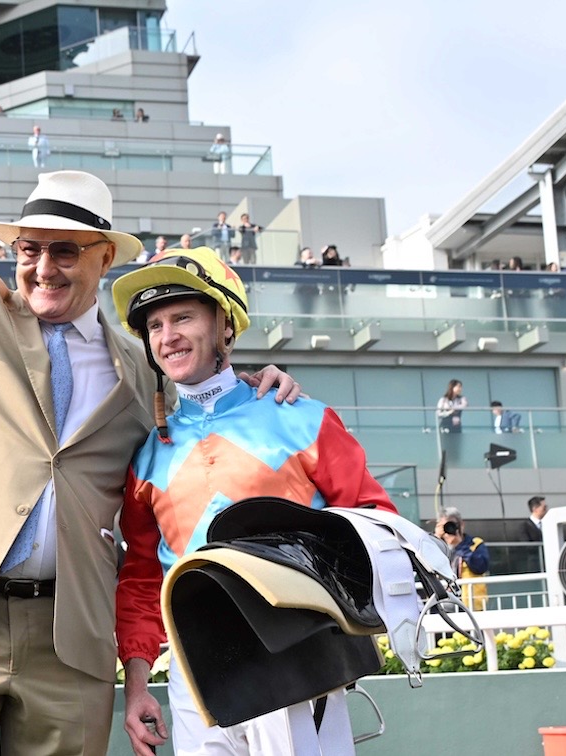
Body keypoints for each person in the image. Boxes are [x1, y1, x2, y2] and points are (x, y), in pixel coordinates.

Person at [0, 36, 298, 755]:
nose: (42, 266)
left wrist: (258, 384)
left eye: (65, 250)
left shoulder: (144, 375)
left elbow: (206, 421)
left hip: (72, 641)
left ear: (105, 258)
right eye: (30, 248)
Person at [110, 248, 397, 755]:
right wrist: (136, 687)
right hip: (192, 675)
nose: (167, 336)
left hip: (296, 659)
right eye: (154, 326)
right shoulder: (149, 455)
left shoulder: (299, 416)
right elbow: (141, 579)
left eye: (182, 317)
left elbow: (376, 523)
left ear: (225, 325)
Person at [436, 507, 489, 611]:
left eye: (451, 525)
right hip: (442, 604)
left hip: (470, 603)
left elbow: (480, 567)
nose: (449, 529)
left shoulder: (475, 544)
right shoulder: (436, 547)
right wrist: (435, 539)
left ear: (461, 525)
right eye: (445, 526)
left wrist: (459, 545)